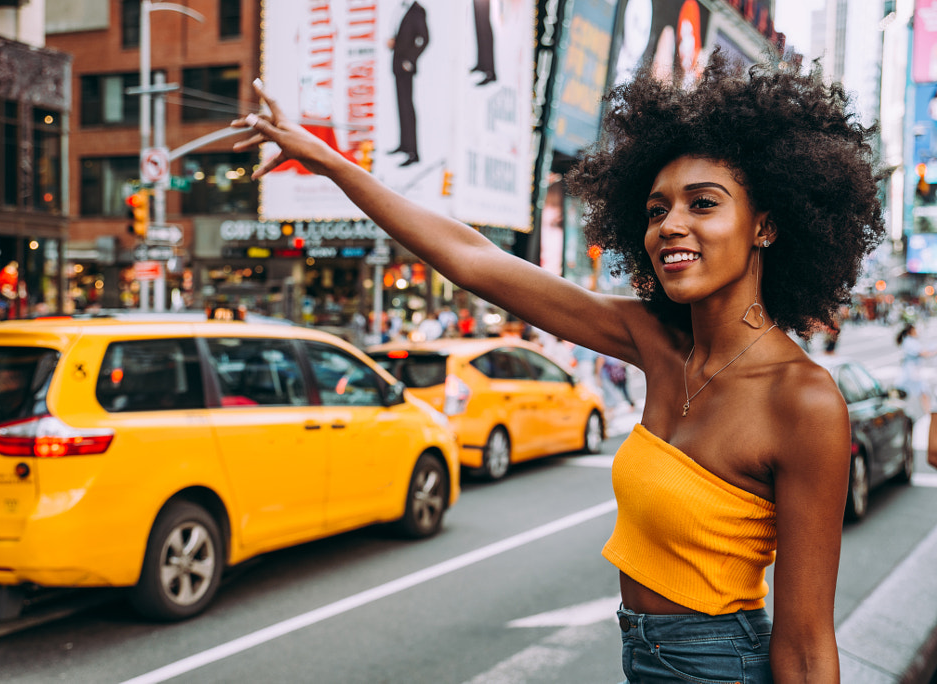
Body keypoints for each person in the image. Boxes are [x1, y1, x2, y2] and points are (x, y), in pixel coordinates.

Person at [232, 50, 883, 682]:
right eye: (656, 210)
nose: (671, 226)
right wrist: (328, 163)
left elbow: (804, 648)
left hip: (724, 665)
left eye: (703, 204)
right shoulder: (655, 340)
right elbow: (474, 260)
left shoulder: (802, 401)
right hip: (647, 654)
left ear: (765, 225)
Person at [387, 0, 429, 167]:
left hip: (405, 66)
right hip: (397, 65)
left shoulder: (417, 11)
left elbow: (424, 38)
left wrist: (410, 59)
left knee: (407, 107)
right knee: (401, 106)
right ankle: (404, 145)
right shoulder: (400, 9)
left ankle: (413, 151)